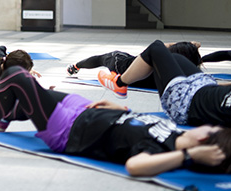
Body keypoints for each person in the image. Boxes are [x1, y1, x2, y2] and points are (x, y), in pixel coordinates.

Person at [0, 66, 231, 177]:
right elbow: (135, 123)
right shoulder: (172, 130)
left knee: (17, 77)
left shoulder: (164, 149)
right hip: (87, 110)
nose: (208, 124)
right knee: (30, 92)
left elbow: (134, 166)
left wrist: (188, 155)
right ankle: (2, 113)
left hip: (70, 130)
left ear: (204, 139)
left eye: (212, 128)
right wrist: (119, 108)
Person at [98, 40, 231, 127]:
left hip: (186, 101)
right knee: (176, 57)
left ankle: (119, 84)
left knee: (156, 47)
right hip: (204, 86)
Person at [66, 41, 202, 89]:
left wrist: (187, 44)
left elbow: (161, 46)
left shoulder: (159, 60)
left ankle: (75, 66)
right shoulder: (179, 73)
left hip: (121, 65)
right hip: (125, 64)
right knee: (101, 59)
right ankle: (76, 66)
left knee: (101, 59)